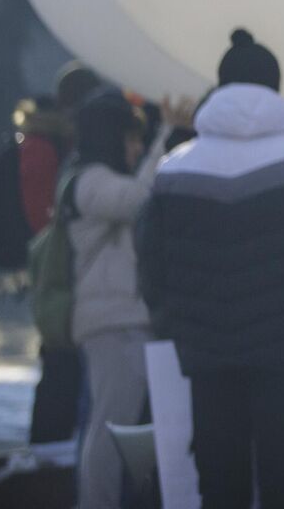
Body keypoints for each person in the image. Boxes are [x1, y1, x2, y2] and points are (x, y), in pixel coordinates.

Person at [138, 30, 284, 509]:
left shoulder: (174, 170)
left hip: (209, 355)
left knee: (219, 484)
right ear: (275, 87)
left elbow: (151, 267)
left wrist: (180, 326)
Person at [69, 90, 191, 508]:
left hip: (127, 323)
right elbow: (140, 198)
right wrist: (169, 133)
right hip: (113, 327)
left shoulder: (95, 179)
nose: (137, 147)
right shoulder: (87, 182)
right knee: (109, 432)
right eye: (131, 138)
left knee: (128, 435)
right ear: (109, 137)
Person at [19, 64, 105, 444]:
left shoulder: (53, 141)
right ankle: (47, 455)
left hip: (63, 270)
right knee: (60, 362)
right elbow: (44, 219)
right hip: (57, 270)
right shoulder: (47, 146)